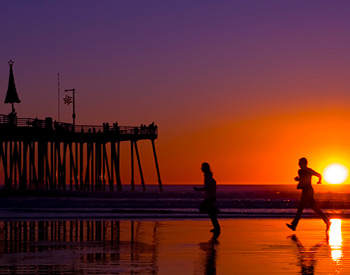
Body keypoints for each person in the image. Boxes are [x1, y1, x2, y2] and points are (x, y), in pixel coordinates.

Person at [286, 157, 330, 232]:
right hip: (308, 191)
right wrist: (319, 181)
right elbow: (318, 176)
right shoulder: (307, 170)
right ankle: (327, 221)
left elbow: (304, 180)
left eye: (300, 163)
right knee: (314, 208)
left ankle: (294, 225)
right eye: (298, 163)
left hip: (307, 192)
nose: (298, 164)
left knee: (300, 209)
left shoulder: (301, 171)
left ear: (303, 163)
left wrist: (298, 180)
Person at [194, 162, 221, 233]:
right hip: (211, 196)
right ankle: (216, 227)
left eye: (202, 167)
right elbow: (212, 183)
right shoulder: (207, 175)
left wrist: (198, 190)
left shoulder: (207, 176)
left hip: (211, 197)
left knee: (202, 208)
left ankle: (217, 226)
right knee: (210, 213)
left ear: (205, 168)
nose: (201, 169)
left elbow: (207, 187)